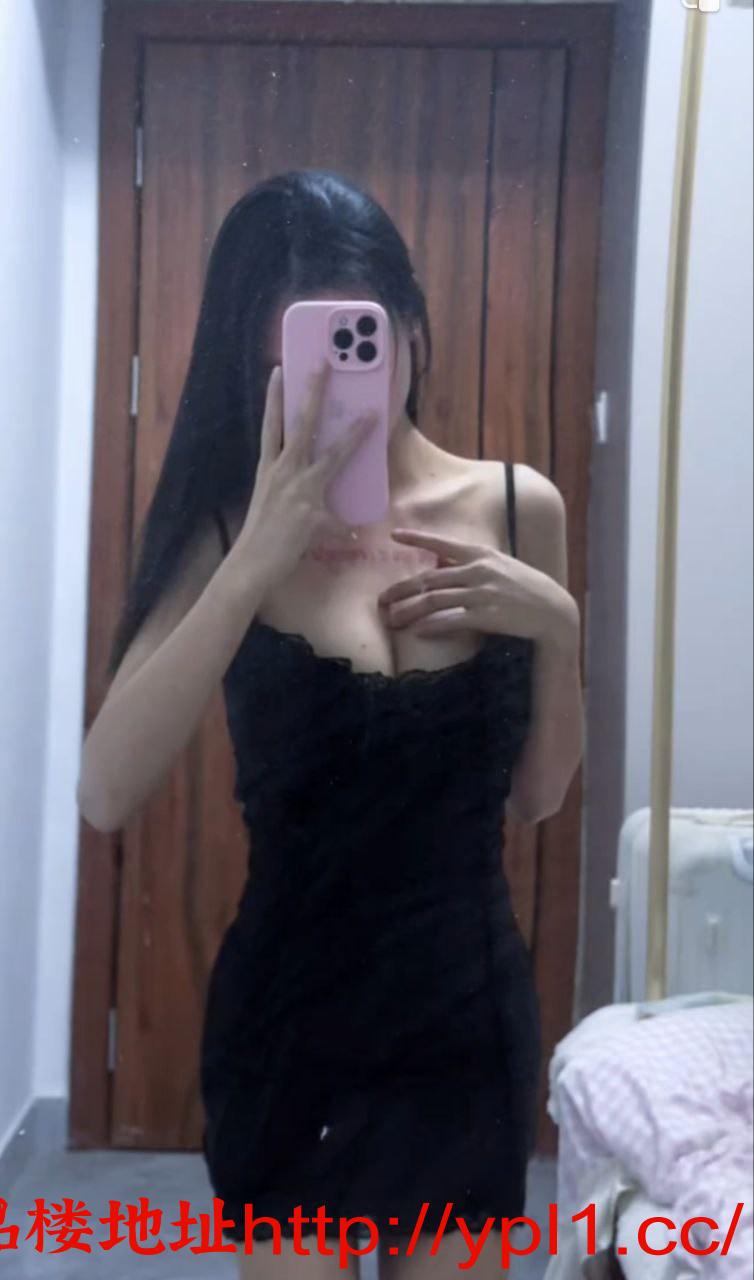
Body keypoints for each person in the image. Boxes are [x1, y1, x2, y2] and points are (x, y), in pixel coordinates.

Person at [77, 169, 583, 1278]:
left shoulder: (516, 508)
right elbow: (105, 790)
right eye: (288, 372)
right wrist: (255, 559)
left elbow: (539, 797)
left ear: (409, 331)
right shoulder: (227, 532)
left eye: (358, 352)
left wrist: (559, 625)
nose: (328, 398)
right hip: (290, 1020)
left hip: (463, 1014)